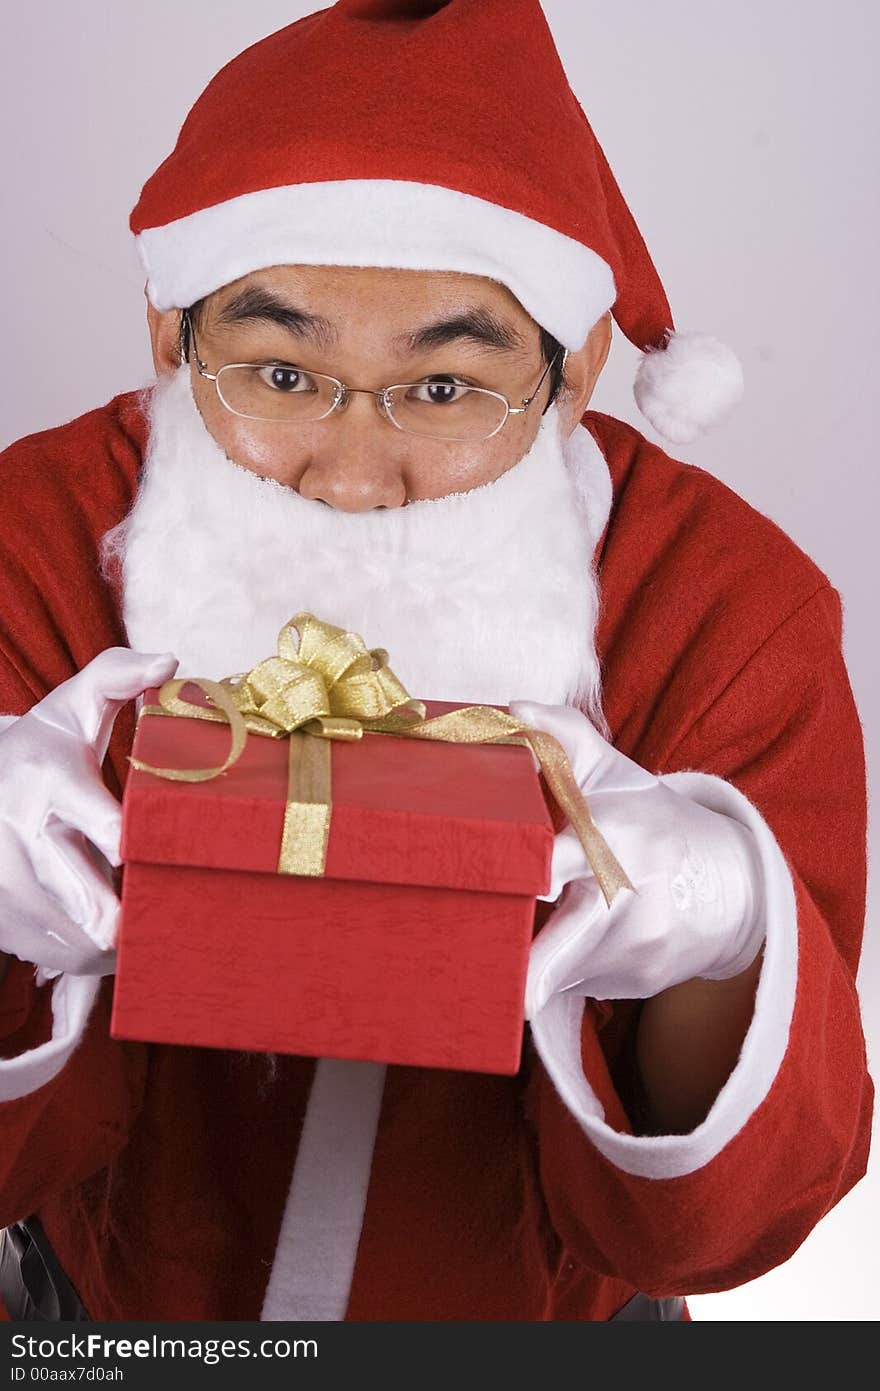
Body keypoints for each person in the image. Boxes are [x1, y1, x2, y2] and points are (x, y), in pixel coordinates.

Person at [0, 0, 871, 1323]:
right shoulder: (31, 532)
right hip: (108, 1315)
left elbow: (733, 1228)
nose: (352, 481)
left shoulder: (729, 605)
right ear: (171, 341)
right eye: (280, 373)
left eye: (445, 389)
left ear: (574, 371)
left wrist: (729, 935)